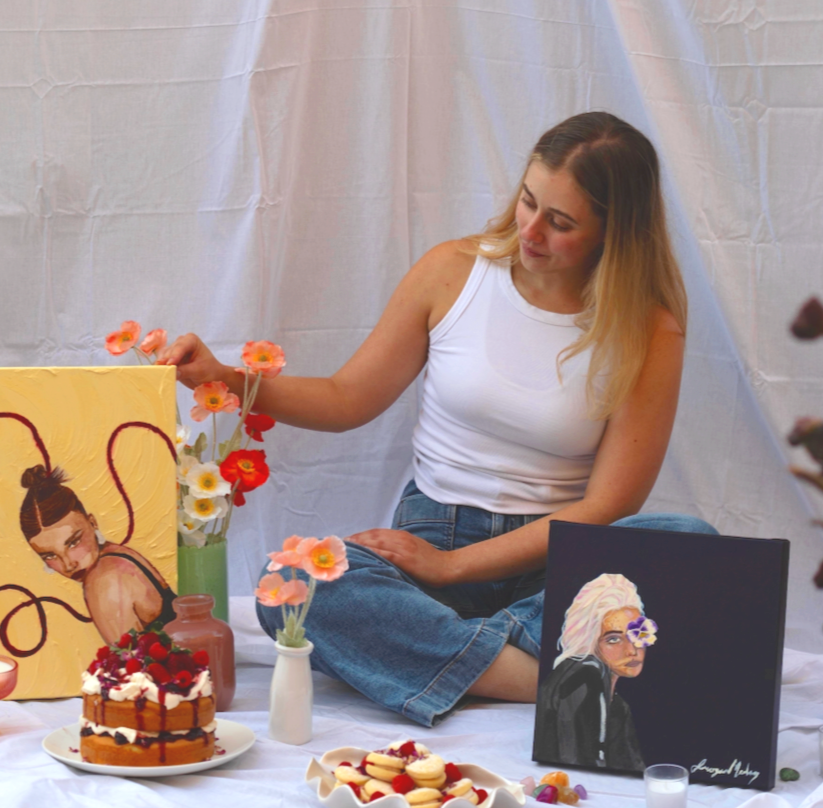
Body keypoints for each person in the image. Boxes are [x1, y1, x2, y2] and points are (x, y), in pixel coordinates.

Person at [159, 111, 716, 726]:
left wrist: (456, 568)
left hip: (557, 558)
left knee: (693, 548)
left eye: (561, 223)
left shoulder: (650, 329)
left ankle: (441, 650)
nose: (530, 230)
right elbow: (349, 398)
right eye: (528, 201)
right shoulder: (453, 272)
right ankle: (554, 673)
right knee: (290, 578)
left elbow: (609, 505)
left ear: (616, 234)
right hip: (433, 534)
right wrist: (227, 380)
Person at [19, 465, 176, 646]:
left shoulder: (103, 579)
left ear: (92, 522)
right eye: (49, 556)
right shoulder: (118, 555)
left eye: (73, 542)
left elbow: (129, 667)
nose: (68, 564)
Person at [532, 573, 654, 772]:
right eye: (614, 639)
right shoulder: (584, 677)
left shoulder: (617, 707)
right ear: (589, 638)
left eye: (637, 634)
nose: (632, 650)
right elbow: (575, 765)